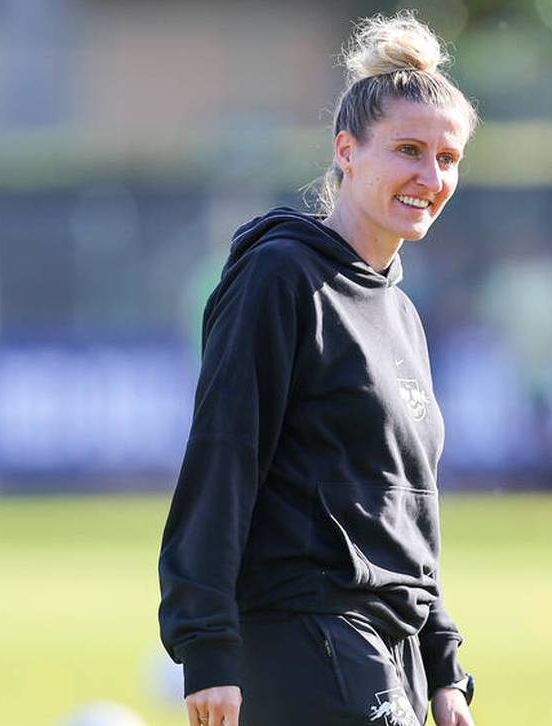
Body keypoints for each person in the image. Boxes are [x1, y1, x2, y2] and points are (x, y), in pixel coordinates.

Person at [158, 13, 477, 726]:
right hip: (302, 629)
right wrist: (206, 645)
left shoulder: (401, 312)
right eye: (408, 149)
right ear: (347, 151)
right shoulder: (281, 275)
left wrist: (442, 665)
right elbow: (224, 454)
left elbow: (406, 508)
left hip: (385, 643)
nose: (430, 176)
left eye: (448, 158)